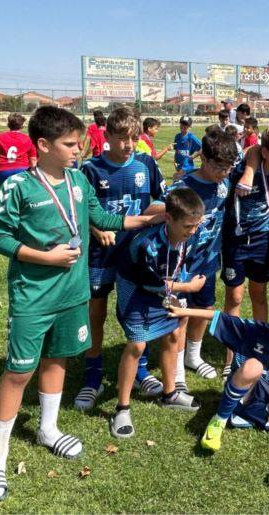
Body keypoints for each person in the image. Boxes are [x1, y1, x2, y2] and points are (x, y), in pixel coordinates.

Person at [0, 106, 156, 503]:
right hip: (33, 297)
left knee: (58, 361)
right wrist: (45, 258)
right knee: (18, 373)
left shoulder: (78, 180)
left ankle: (48, 429)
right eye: (70, 144)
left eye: (78, 143)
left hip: (73, 295)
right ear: (43, 145)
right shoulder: (19, 186)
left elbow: (103, 219)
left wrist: (147, 220)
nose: (79, 150)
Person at [169, 292, 269, 488]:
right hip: (244, 396)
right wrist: (183, 311)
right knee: (254, 366)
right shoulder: (255, 331)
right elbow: (219, 317)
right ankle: (219, 420)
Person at [73, 107, 168, 411]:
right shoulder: (90, 169)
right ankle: (93, 375)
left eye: (134, 138)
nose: (129, 144)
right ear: (108, 137)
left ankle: (140, 371)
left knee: (140, 312)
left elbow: (161, 200)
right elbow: (77, 211)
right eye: (122, 138)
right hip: (101, 255)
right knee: (96, 313)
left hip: (138, 255)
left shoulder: (146, 164)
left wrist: (153, 215)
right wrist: (96, 228)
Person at [109, 188, 208, 437]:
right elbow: (151, 283)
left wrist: (181, 290)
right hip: (137, 293)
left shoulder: (191, 234)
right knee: (137, 346)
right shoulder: (146, 244)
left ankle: (170, 393)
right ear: (168, 219)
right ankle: (121, 408)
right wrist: (188, 287)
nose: (193, 231)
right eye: (188, 226)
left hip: (167, 288)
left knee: (173, 335)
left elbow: (182, 263)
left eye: (196, 225)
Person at [220, 125, 269, 377]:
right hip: (236, 240)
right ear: (265, 152)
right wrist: (250, 170)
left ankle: (260, 348)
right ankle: (230, 357)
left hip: (262, 241)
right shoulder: (243, 169)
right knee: (235, 298)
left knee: (260, 295)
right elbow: (251, 149)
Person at [169, 129, 239, 382]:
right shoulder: (183, 188)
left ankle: (193, 355)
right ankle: (177, 371)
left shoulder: (225, 185)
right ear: (203, 159)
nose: (224, 172)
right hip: (181, 264)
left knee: (204, 308)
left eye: (228, 167)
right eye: (219, 166)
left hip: (208, 261)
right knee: (181, 314)